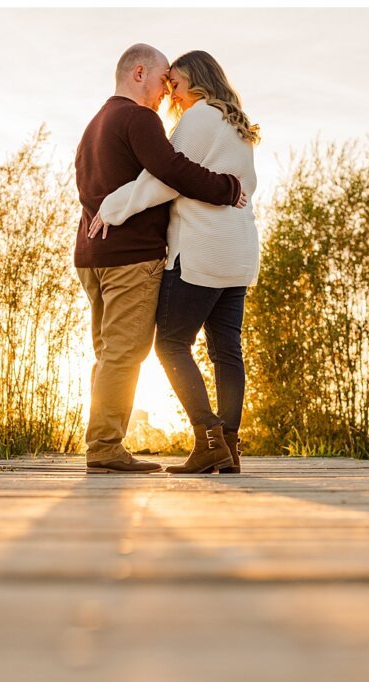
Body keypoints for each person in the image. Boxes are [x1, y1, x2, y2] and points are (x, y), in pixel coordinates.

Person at [75, 43, 246, 475]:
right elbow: (171, 171)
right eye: (161, 79)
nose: (165, 92)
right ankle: (106, 448)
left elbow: (88, 187)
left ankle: (105, 441)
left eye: (174, 82)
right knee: (127, 352)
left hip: (91, 254)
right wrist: (228, 189)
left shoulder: (95, 124)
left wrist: (105, 211)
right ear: (138, 73)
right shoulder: (139, 118)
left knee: (108, 350)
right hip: (130, 255)